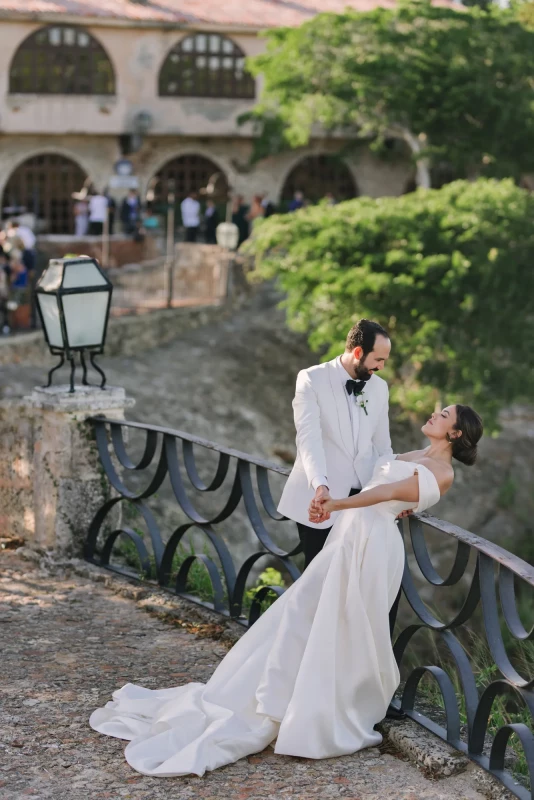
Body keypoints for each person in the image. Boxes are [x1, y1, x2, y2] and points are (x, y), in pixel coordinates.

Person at [90, 401, 483, 777]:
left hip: (372, 543)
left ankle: (325, 708)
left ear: (455, 432)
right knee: (306, 610)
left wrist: (336, 506)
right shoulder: (418, 454)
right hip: (350, 536)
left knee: (347, 621)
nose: (435, 414)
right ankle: (283, 694)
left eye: (443, 414)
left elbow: (384, 494)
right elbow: (381, 476)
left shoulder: (442, 472)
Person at [279, 319, 394, 568]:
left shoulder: (380, 388)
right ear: (358, 352)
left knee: (353, 582)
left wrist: (393, 492)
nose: (382, 367)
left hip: (363, 503)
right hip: (321, 502)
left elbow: (384, 448)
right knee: (317, 580)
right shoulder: (311, 379)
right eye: (378, 359)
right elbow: (308, 439)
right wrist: (321, 486)